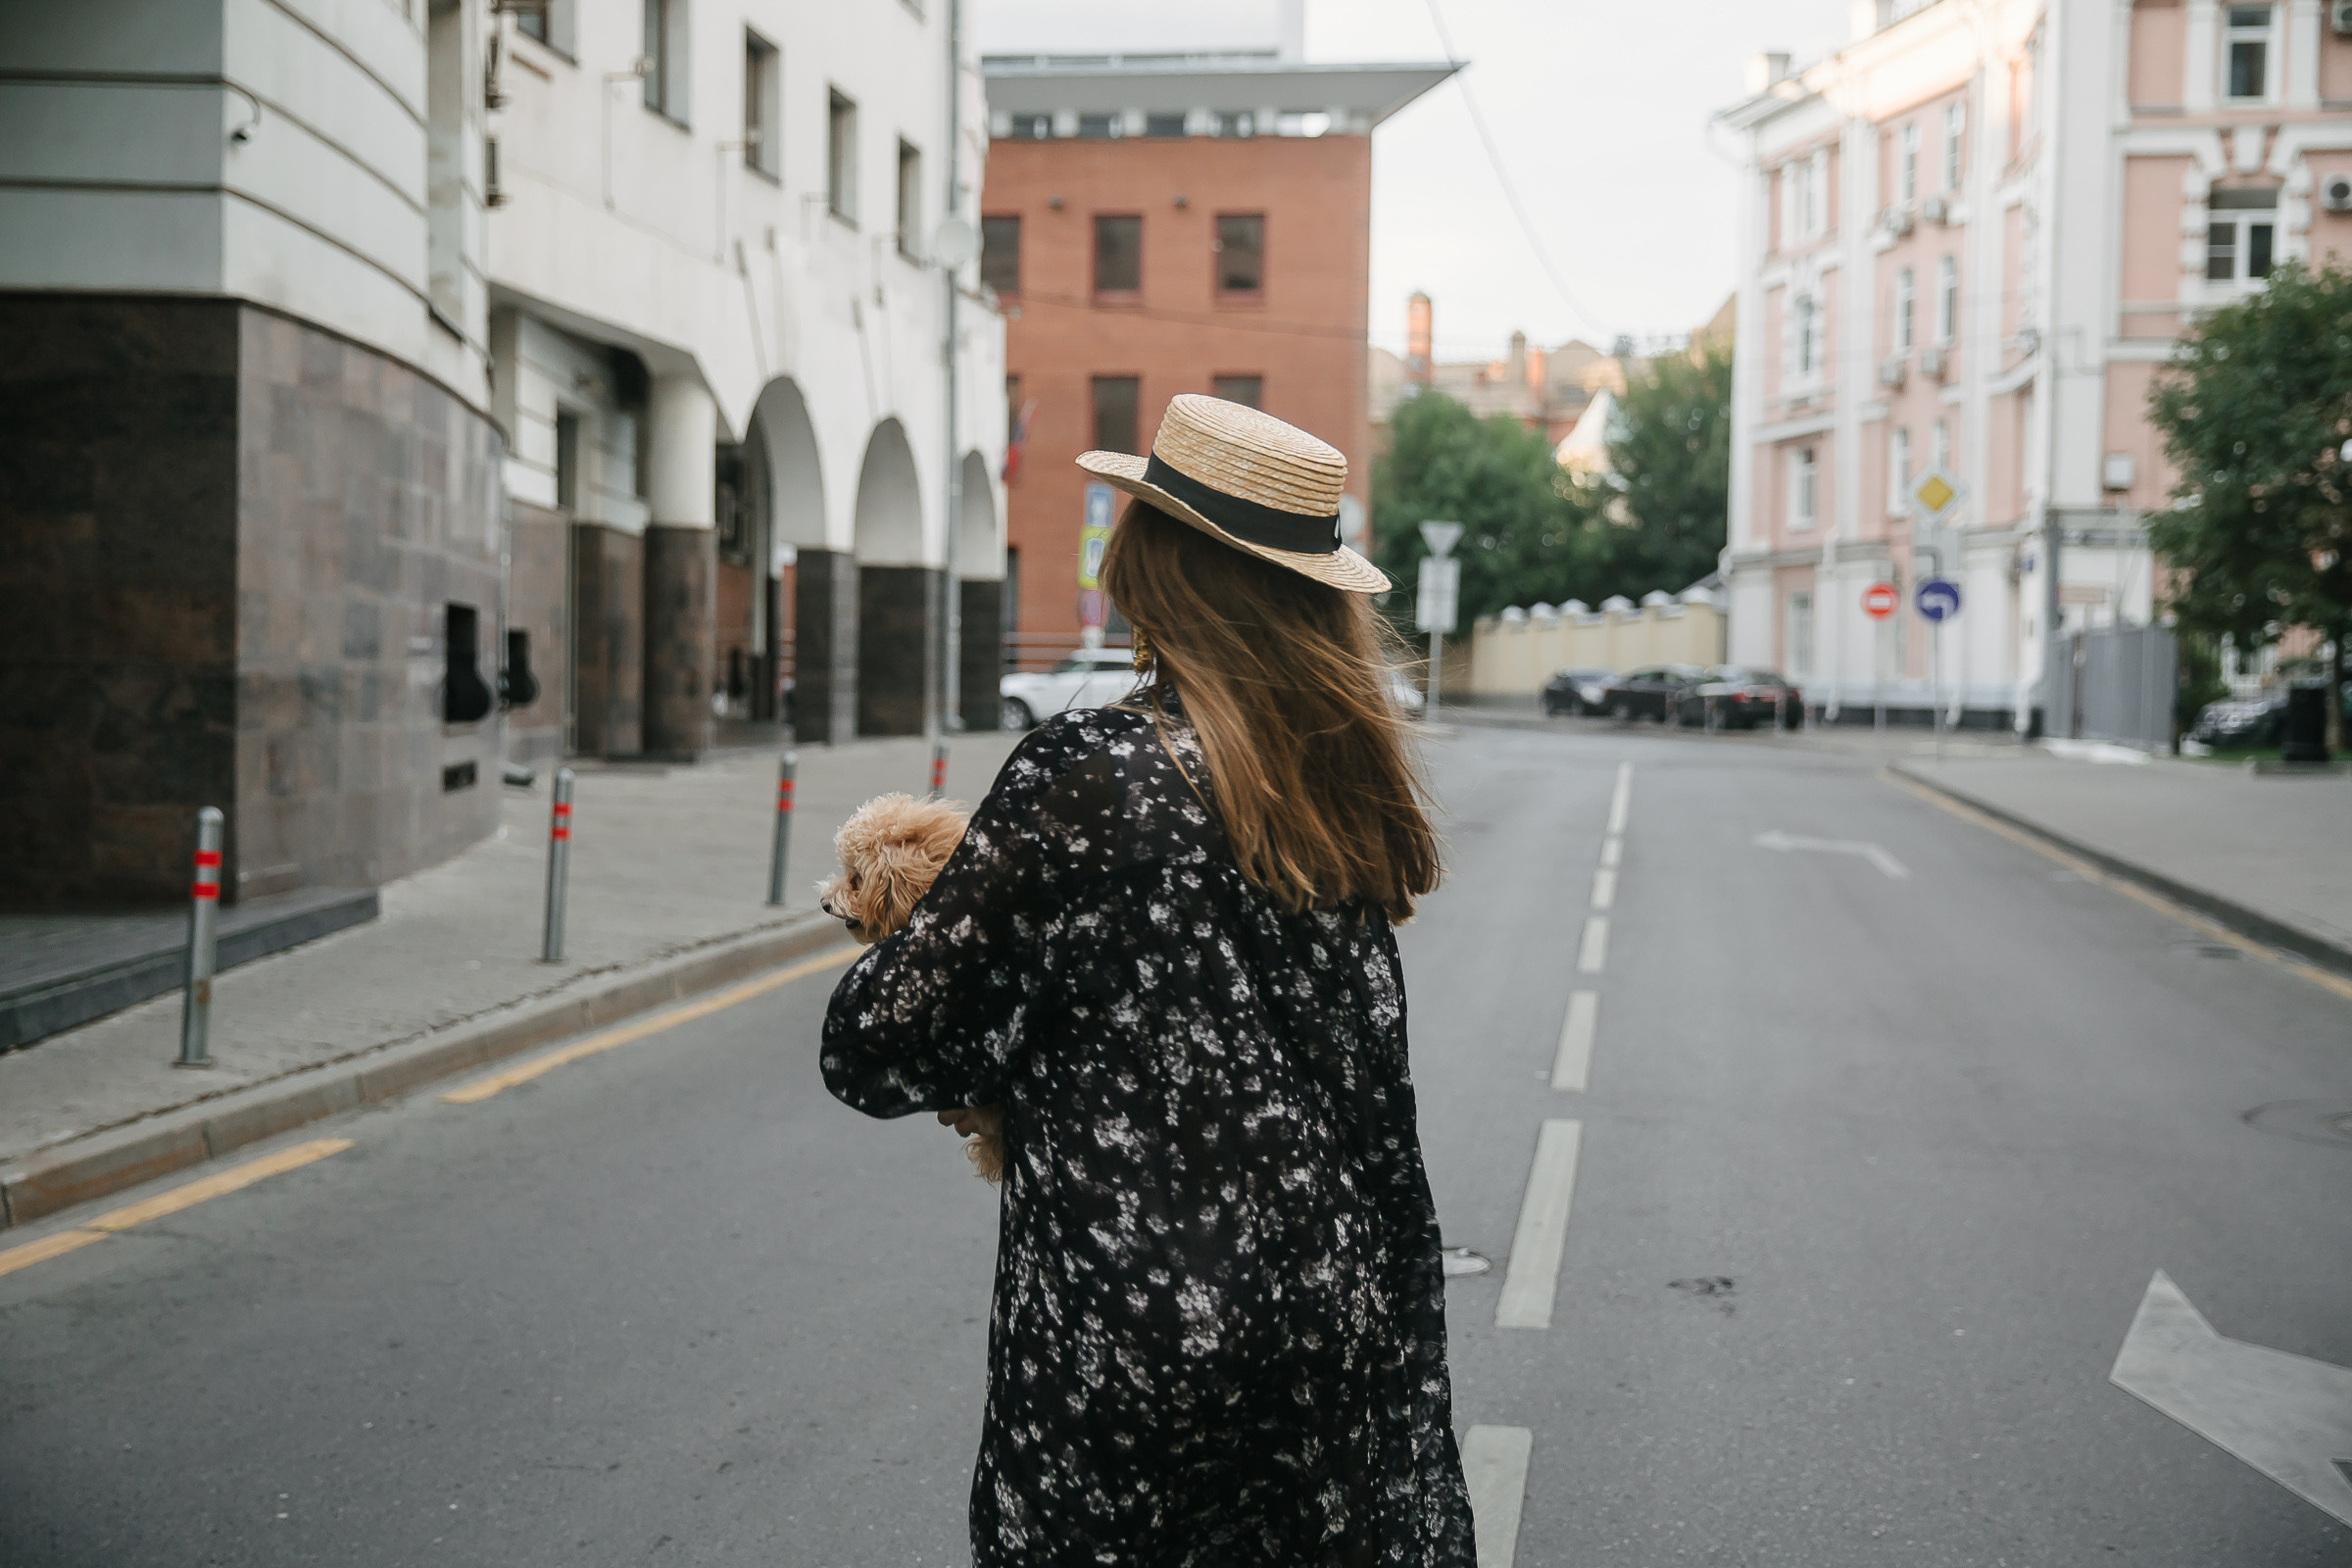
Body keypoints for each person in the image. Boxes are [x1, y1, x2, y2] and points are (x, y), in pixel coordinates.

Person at [822, 395, 1476, 1566]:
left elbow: (879, 1047)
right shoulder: (1331, 785)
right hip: (1320, 1328)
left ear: (1152, 562)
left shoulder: (1085, 775)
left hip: (1129, 1346)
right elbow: (1373, 1108)